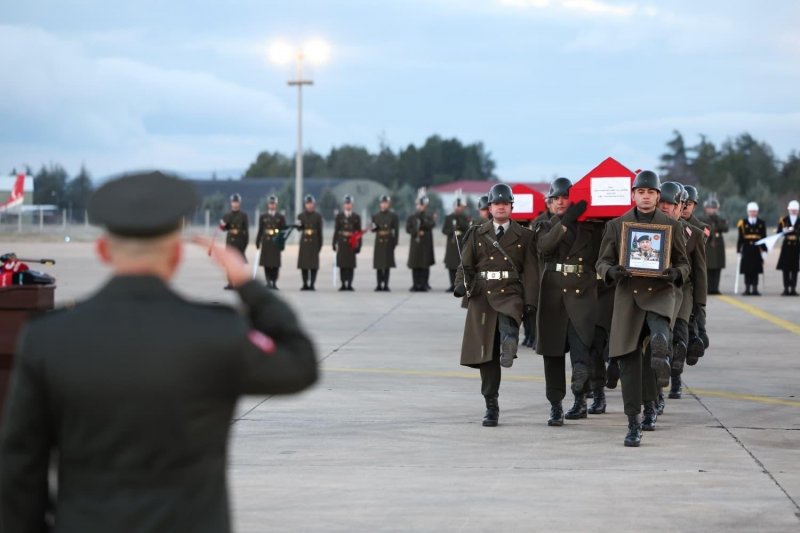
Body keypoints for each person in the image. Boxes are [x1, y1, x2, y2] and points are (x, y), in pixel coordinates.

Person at [0, 171, 318, 533]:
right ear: (177, 255)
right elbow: (301, 363)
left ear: (103, 250)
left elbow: (19, 469)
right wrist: (247, 284)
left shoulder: (48, 339)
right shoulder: (216, 331)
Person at [596, 170, 689, 447]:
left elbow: (685, 264)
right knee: (629, 361)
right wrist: (612, 271)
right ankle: (634, 421)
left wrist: (675, 274)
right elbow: (601, 262)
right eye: (641, 192)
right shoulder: (617, 225)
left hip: (660, 293)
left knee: (657, 341)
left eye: (651, 192)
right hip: (628, 296)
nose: (646, 196)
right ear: (633, 195)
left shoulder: (670, 226)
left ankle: (663, 342)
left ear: (658, 196)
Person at [454, 184, 537, 427]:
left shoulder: (525, 236)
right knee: (487, 355)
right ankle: (491, 405)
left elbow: (531, 272)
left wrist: (531, 302)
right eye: (496, 203)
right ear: (489, 208)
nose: (501, 206)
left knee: (509, 317)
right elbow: (465, 265)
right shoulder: (476, 233)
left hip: (510, 290)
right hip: (482, 295)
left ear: (511, 207)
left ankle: (510, 342)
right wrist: (460, 284)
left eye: (505, 203)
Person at [534, 177, 602, 426]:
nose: (561, 202)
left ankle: (580, 400)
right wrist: (566, 221)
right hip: (553, 296)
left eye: (565, 197)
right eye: (556, 199)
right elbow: (544, 247)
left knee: (581, 346)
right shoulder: (543, 226)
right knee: (552, 353)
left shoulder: (591, 228)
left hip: (582, 293)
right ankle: (555, 405)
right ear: (549, 203)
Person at [255, 195, 286, 289]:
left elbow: (283, 232)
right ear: (268, 205)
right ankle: (268, 281)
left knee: (275, 264)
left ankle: (274, 282)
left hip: (275, 242)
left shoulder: (280, 217)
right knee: (267, 263)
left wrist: (282, 243)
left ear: (276, 205)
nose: (272, 205)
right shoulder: (263, 217)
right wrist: (257, 241)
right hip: (266, 242)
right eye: (270, 203)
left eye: (273, 204)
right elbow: (260, 230)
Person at [736, 202, 767, 296]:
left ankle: (755, 289)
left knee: (755, 270)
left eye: (754, 211)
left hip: (757, 249)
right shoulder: (742, 223)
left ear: (757, 212)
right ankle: (747, 288)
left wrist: (765, 250)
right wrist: (738, 250)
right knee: (747, 270)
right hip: (746, 249)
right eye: (751, 211)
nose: (753, 213)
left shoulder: (761, 223)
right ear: (748, 212)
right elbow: (740, 238)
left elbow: (763, 237)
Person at [699, 198, 728, 294]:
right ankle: (707, 288)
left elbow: (725, 228)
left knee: (717, 268)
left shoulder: (720, 219)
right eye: (710, 208)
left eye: (714, 208)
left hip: (718, 246)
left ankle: (715, 288)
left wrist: (717, 220)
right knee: (707, 267)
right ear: (705, 209)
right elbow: (702, 229)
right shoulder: (701, 219)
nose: (712, 210)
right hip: (707, 245)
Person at [406, 196, 436, 292]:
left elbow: (431, 225)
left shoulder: (428, 216)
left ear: (425, 206)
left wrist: (422, 223)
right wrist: (416, 231)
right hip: (416, 243)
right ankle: (415, 284)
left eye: (422, 205)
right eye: (418, 205)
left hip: (425, 244)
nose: (420, 207)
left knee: (424, 264)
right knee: (415, 264)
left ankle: (423, 284)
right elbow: (408, 228)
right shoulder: (412, 217)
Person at [220, 193, 249, 289]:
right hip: (230, 242)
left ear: (239, 203)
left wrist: (245, 244)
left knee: (239, 263)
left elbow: (246, 230)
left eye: (236, 202)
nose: (235, 204)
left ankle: (240, 283)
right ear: (231, 203)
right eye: (233, 202)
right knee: (229, 263)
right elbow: (223, 228)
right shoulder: (227, 215)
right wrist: (222, 225)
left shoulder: (243, 215)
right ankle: (230, 283)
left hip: (240, 241)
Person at [442, 198, 471, 292]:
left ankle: (460, 284)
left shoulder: (466, 217)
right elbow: (444, 230)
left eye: (460, 207)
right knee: (451, 266)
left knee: (461, 265)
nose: (458, 208)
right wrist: (452, 231)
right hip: (451, 245)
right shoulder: (449, 217)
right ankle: (452, 284)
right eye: (456, 206)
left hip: (462, 244)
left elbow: (467, 228)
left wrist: (459, 220)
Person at [372, 194, 399, 291]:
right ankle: (379, 284)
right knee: (379, 264)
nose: (384, 205)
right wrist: (373, 227)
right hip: (379, 242)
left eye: (386, 203)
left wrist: (395, 242)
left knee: (387, 264)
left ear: (389, 204)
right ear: (380, 204)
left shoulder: (393, 216)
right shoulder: (375, 216)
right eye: (382, 203)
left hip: (388, 241)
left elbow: (396, 230)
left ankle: (386, 284)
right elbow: (374, 229)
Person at [334, 195, 361, 291]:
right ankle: (343, 284)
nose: (347, 205)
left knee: (350, 265)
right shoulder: (339, 216)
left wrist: (359, 245)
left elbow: (358, 232)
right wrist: (334, 243)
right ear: (343, 205)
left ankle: (349, 283)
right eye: (346, 203)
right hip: (342, 242)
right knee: (342, 264)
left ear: (352, 205)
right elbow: (336, 230)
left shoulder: (356, 217)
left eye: (349, 203)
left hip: (352, 242)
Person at [297, 194, 323, 290]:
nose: (309, 205)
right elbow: (299, 229)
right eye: (308, 203)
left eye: (311, 203)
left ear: (314, 204)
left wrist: (320, 244)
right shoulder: (301, 216)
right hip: (304, 242)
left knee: (313, 265)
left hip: (314, 241)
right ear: (305, 205)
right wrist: (298, 225)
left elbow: (320, 231)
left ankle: (312, 284)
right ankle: (305, 284)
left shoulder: (318, 216)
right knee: (304, 265)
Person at [776, 200, 800, 296]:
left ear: (798, 210)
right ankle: (786, 288)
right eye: (792, 210)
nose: (793, 211)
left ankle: (793, 288)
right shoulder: (783, 220)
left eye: (795, 210)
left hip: (796, 245)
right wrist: (783, 230)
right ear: (789, 210)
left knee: (794, 268)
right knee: (785, 268)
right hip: (786, 245)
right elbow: (778, 232)